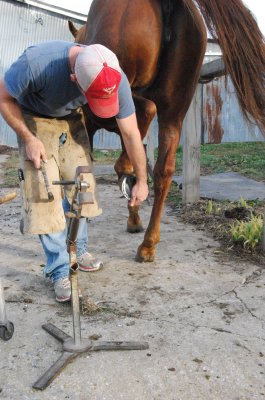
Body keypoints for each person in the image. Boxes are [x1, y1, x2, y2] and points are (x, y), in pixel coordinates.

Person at [0, 41, 149, 302]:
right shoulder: (35, 64)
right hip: (33, 115)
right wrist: (27, 137)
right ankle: (59, 270)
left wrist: (143, 180)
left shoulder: (113, 75)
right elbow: (3, 97)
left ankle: (78, 250)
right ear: (73, 79)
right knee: (44, 192)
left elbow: (131, 132)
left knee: (83, 184)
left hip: (70, 117)